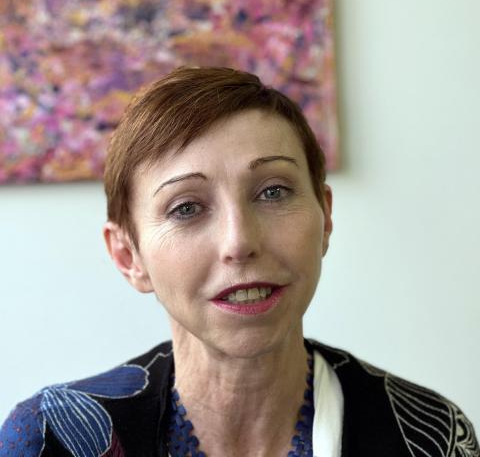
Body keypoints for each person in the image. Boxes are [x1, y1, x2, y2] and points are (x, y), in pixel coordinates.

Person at [0, 67, 478, 457]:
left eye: (273, 192)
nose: (239, 241)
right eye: (186, 207)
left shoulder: (429, 437)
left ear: (325, 218)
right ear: (129, 256)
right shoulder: (51, 440)